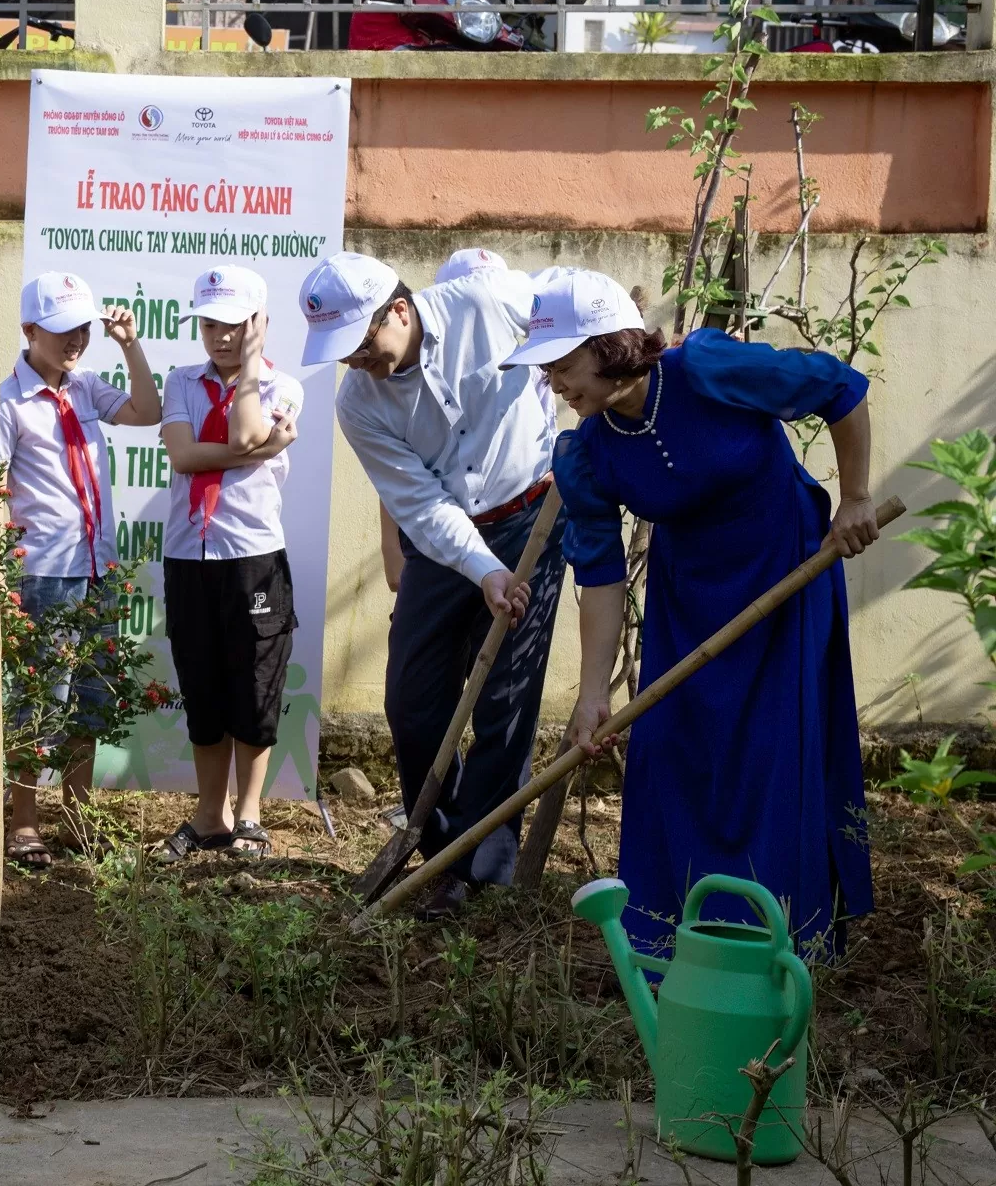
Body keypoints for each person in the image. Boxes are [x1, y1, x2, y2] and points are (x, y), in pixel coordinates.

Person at [513, 270, 878, 956]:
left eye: (563, 364)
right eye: (547, 370)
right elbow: (599, 573)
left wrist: (854, 495)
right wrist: (592, 694)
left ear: (610, 344)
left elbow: (839, 388)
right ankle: (679, 935)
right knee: (677, 749)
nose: (556, 384)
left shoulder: (705, 368)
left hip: (783, 572)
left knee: (772, 751)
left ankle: (778, 938)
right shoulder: (587, 453)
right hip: (690, 600)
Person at [319, 250, 564, 919]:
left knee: (504, 701)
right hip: (441, 542)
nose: (356, 363)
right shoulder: (358, 404)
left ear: (398, 310)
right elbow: (420, 504)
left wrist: (624, 355)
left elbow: (571, 303)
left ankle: (481, 869)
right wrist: (480, 568)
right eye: (345, 354)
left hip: (530, 518)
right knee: (413, 698)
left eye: (363, 345)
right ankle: (444, 848)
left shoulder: (487, 303)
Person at [0, 271, 162, 869]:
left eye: (83, 329)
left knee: (91, 697)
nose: (75, 341)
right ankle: (23, 820)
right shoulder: (9, 402)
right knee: (39, 701)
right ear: (30, 330)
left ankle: (75, 818)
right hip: (45, 572)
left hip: (98, 568)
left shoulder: (87, 387)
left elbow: (148, 410)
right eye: (63, 330)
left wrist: (128, 344)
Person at [155, 265, 303, 862]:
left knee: (255, 685)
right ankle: (208, 815)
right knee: (204, 684)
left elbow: (242, 434)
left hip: (253, 556)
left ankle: (249, 816)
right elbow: (185, 455)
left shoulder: (281, 386)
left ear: (259, 323)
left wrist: (249, 374)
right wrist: (264, 449)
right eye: (210, 323)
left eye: (235, 324)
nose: (219, 336)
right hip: (189, 555)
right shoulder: (181, 381)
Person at [378, 246, 515, 593]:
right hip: (441, 535)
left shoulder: (532, 368)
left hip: (518, 525)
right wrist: (390, 546)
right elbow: (400, 478)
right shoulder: (407, 373)